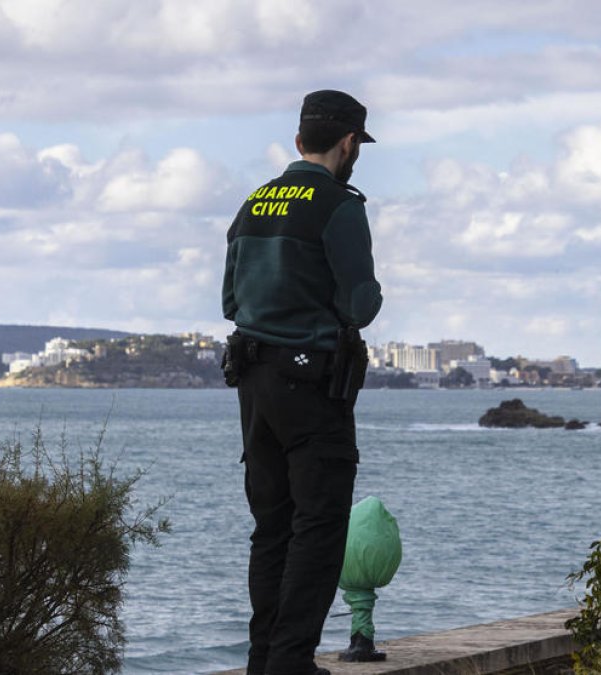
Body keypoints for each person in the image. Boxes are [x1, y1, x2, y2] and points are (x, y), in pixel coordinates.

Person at [221, 89, 382, 675]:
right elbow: (360, 304)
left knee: (272, 528)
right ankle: (290, 663)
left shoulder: (254, 203)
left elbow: (230, 300)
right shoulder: (339, 206)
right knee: (319, 526)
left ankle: (263, 659)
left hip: (253, 382)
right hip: (312, 385)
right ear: (349, 143)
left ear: (298, 141)